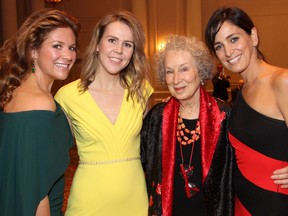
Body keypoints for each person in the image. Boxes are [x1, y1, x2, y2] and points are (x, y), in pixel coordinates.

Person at [55, 10, 153, 216]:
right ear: (97, 44)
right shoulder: (67, 96)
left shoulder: (142, 91)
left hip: (135, 201)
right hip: (89, 202)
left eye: (127, 44)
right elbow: (51, 160)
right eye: (112, 40)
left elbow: (152, 148)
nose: (119, 50)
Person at [205, 7, 288, 215]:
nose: (228, 52)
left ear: (253, 36)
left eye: (233, 39)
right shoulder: (242, 91)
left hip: (275, 204)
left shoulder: (282, 82)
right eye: (219, 46)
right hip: (242, 203)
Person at [141, 35, 234, 216]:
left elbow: (247, 158)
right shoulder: (157, 117)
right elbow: (137, 161)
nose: (176, 80)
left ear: (201, 71)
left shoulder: (223, 115)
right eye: (169, 71)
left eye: (184, 69)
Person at [0, 8, 80, 216]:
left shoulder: (14, 92)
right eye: (57, 46)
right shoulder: (41, 102)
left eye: (72, 47)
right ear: (33, 51)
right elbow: (37, 193)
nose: (68, 55)